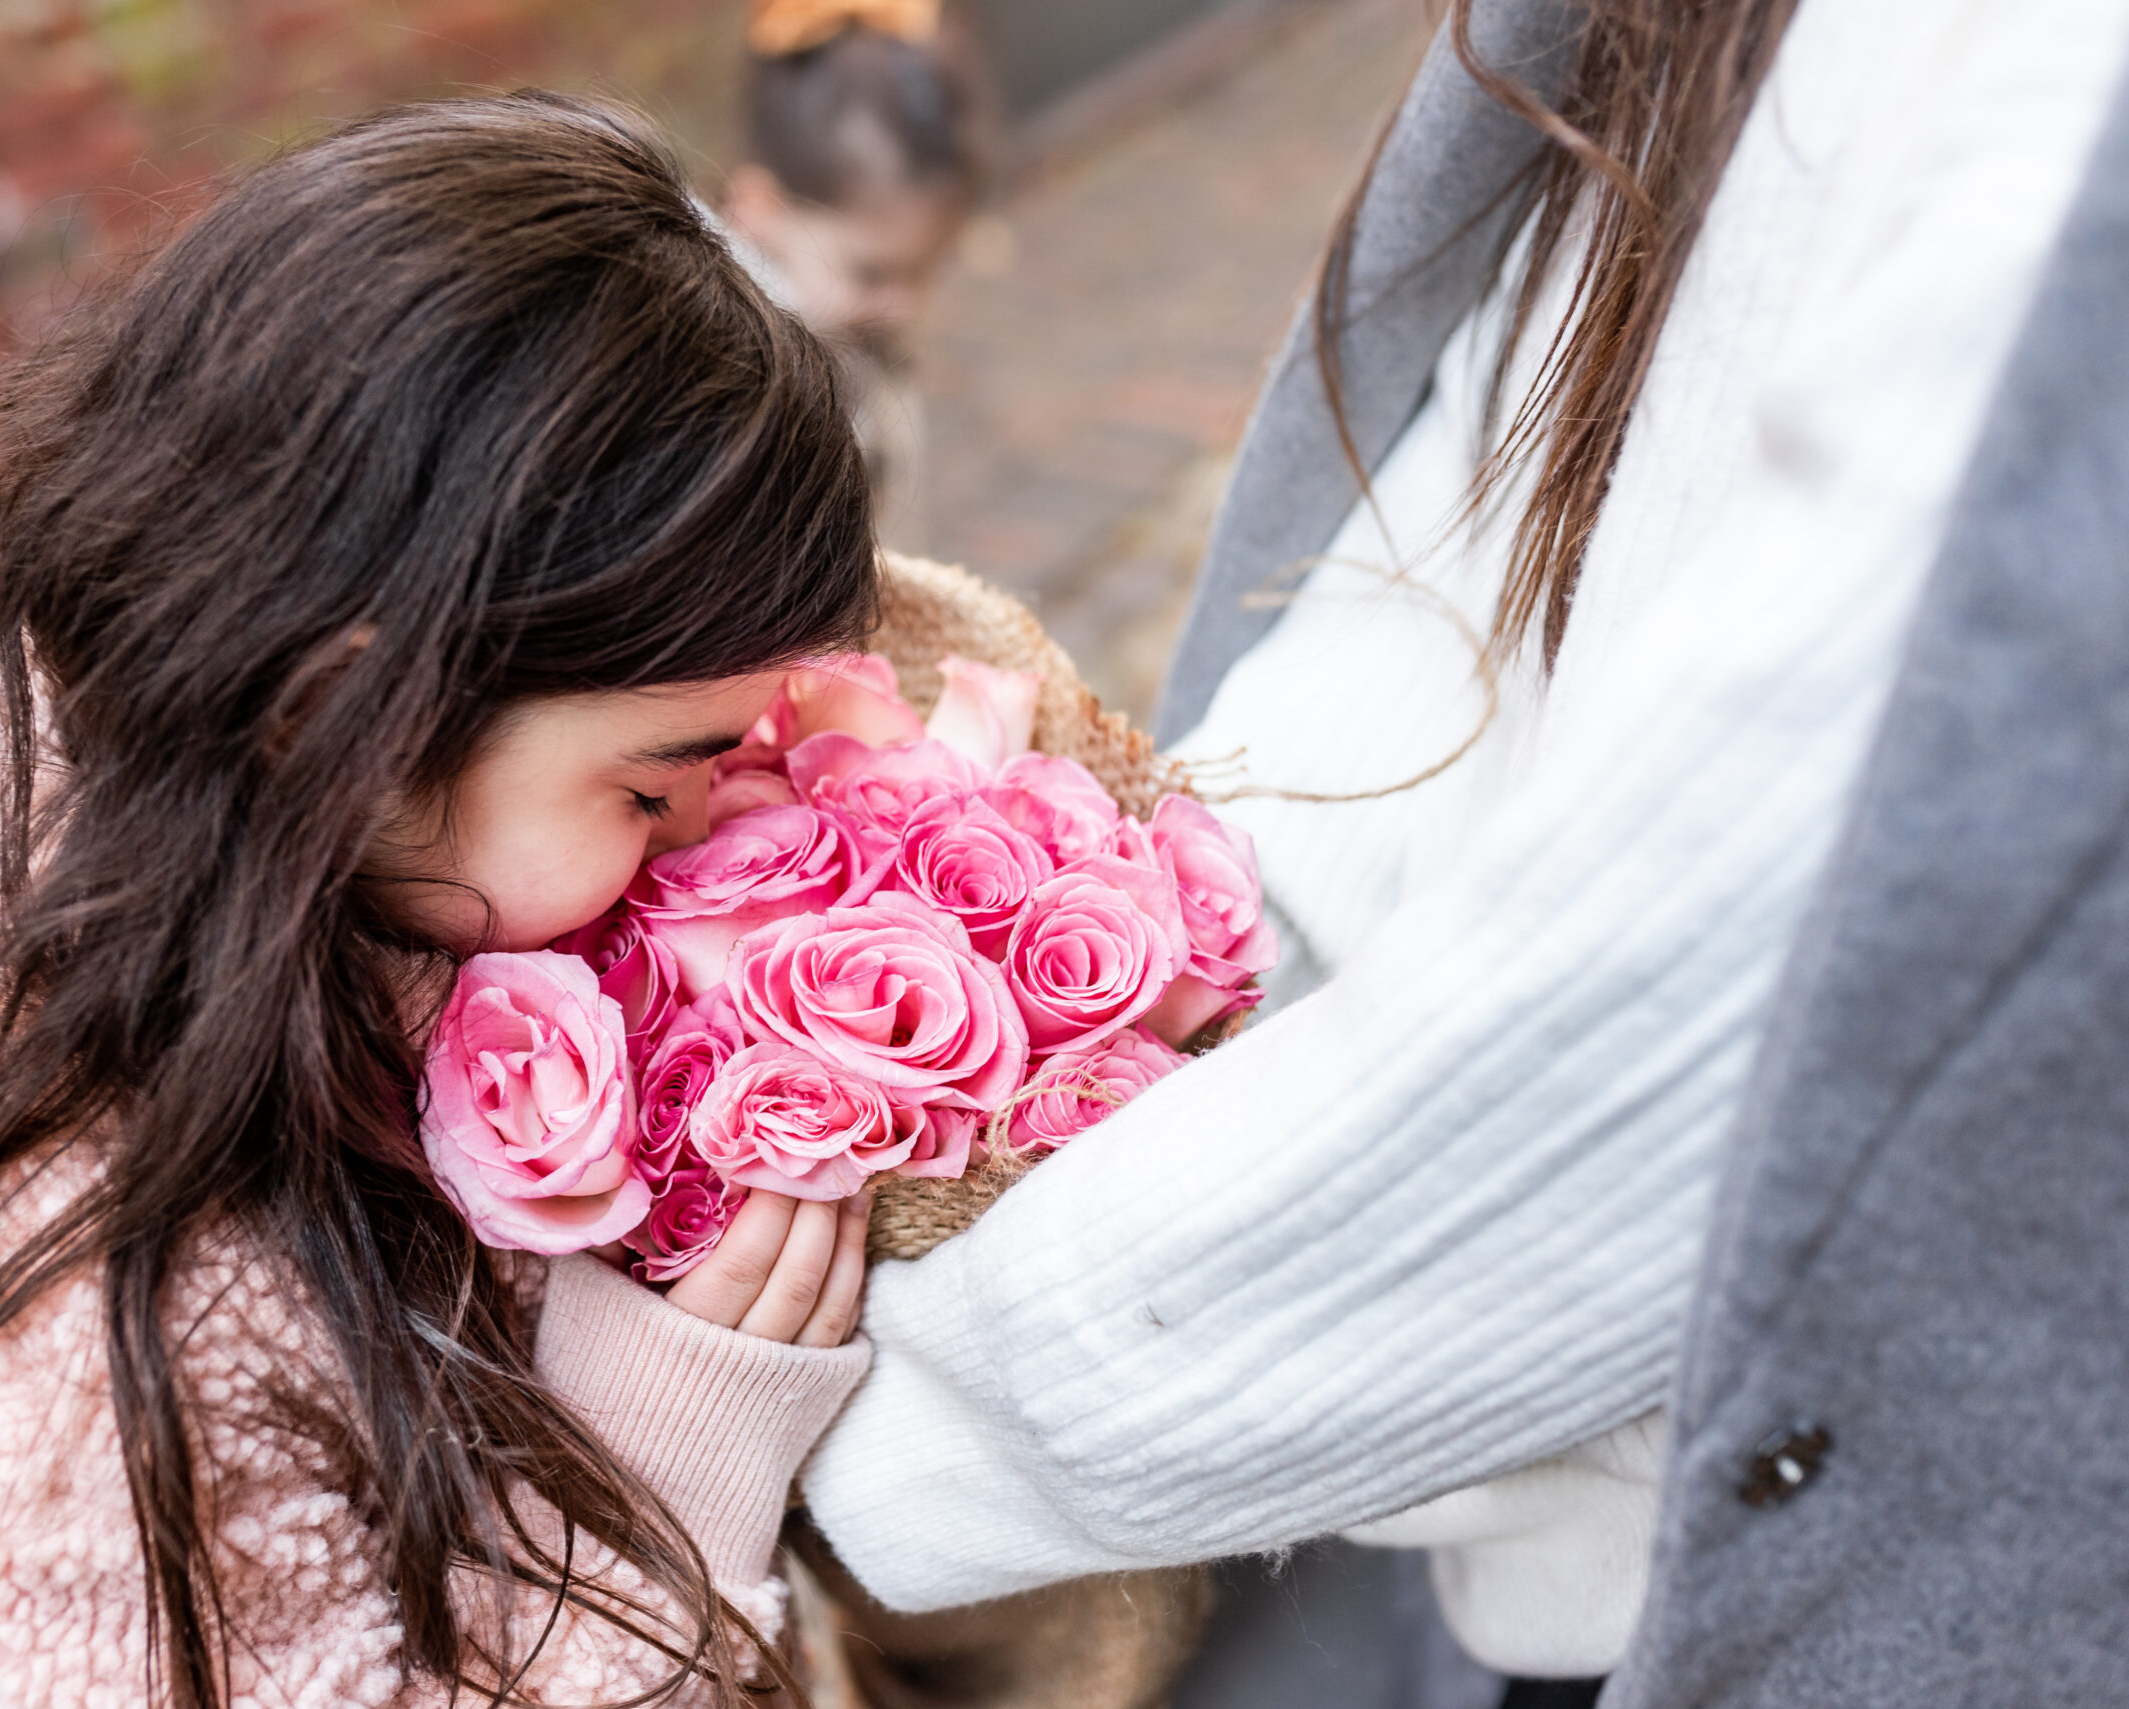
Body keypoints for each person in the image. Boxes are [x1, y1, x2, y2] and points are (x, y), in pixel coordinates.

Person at [800, 0, 2129, 1703]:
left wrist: (858, 1419)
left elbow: (1769, 963)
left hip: (1755, 1543)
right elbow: (1464, 545)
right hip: (1430, 1449)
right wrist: (1174, 973)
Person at [0, 96, 886, 1708]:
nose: (700, 830)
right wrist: (652, 1500)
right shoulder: (66, 1421)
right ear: (352, 723)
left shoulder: (236, 861)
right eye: (645, 785)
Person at [719, 0, 993, 546]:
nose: (903, 305)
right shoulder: (728, 386)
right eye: (870, 274)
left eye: (924, 273)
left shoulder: (866, 343)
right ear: (760, 210)